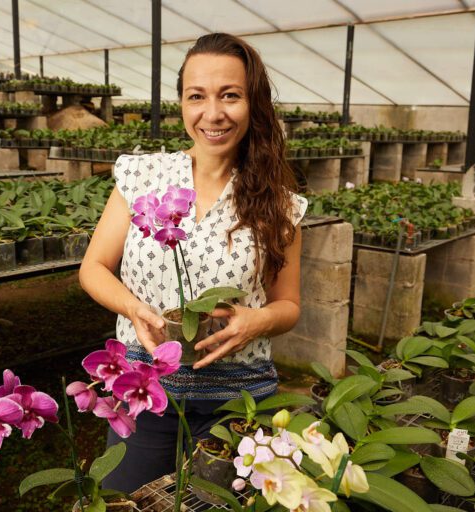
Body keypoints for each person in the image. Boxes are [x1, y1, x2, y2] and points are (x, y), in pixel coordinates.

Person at [78, 32, 307, 493]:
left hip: (235, 399)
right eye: (196, 96)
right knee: (124, 498)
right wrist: (132, 308)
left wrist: (257, 321)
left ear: (253, 103)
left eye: (230, 96)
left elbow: (289, 305)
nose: (213, 113)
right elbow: (93, 268)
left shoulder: (279, 204)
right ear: (181, 103)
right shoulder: (142, 176)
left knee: (218, 503)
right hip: (144, 385)